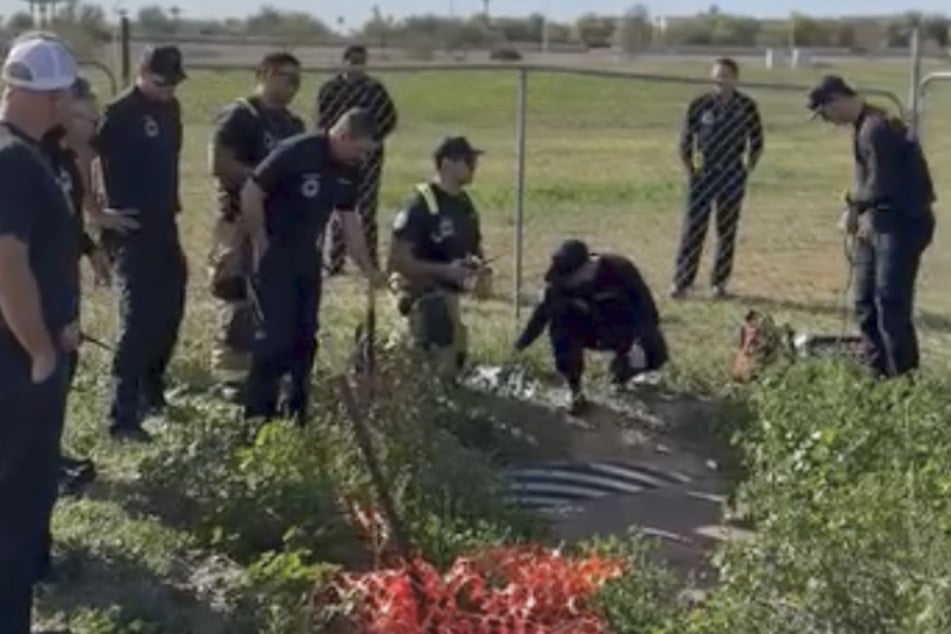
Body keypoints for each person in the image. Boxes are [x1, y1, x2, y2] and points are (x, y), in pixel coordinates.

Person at [0, 33, 81, 634]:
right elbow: (6, 260)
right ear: (51, 98)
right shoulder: (15, 161)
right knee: (17, 507)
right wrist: (40, 351)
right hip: (14, 362)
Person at [240, 107, 387, 424]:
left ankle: (295, 416)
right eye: (360, 149)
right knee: (275, 337)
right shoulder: (297, 151)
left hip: (307, 257)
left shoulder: (349, 168)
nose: (362, 157)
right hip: (273, 253)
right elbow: (252, 190)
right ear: (343, 136)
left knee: (305, 338)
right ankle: (257, 416)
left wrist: (368, 268)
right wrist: (260, 240)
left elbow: (349, 221)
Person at [807, 75, 936, 378]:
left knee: (890, 302)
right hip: (876, 221)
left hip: (901, 223)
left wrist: (853, 205)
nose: (826, 121)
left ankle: (903, 379)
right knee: (865, 301)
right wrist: (858, 212)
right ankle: (876, 373)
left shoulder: (877, 128)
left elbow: (882, 184)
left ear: (836, 99)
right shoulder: (864, 126)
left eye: (824, 112)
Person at [94, 45, 187, 442]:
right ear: (142, 73)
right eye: (161, 82)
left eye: (174, 82)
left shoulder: (171, 109)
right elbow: (82, 154)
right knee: (137, 321)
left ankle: (153, 394)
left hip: (164, 224)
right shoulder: (118, 114)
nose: (168, 89)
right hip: (130, 231)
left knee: (170, 309)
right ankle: (122, 416)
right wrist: (96, 211)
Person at [208, 52, 306, 401]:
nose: (292, 85)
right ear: (263, 73)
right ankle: (231, 383)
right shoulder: (241, 116)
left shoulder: (293, 126)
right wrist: (266, 178)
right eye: (284, 76)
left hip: (281, 227)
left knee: (275, 304)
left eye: (297, 79)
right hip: (240, 223)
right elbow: (221, 164)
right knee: (238, 302)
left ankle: (267, 378)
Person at [40, 76, 108, 500]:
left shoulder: (65, 160)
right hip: (38, 287)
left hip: (63, 280)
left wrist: (88, 247)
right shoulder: (31, 160)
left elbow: (64, 219)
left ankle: (48, 454)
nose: (94, 124)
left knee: (64, 374)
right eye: (87, 115)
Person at [514, 240, 668, 414]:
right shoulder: (559, 286)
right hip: (589, 329)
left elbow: (648, 313)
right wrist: (518, 348)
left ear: (587, 268)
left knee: (654, 352)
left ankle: (623, 377)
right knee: (560, 319)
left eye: (570, 278)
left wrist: (637, 346)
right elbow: (540, 318)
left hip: (623, 328)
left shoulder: (620, 269)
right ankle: (574, 390)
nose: (565, 283)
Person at [388, 136, 490, 377]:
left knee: (456, 353)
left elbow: (474, 249)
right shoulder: (421, 203)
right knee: (437, 335)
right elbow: (398, 262)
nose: (473, 164)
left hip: (447, 291)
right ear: (446, 164)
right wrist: (446, 271)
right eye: (467, 160)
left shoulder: (464, 204)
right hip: (416, 288)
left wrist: (481, 271)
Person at [672, 57, 764, 300]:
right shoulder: (700, 104)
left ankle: (719, 284)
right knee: (694, 228)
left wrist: (747, 167)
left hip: (732, 172)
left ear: (735, 78)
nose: (720, 80)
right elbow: (685, 139)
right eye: (717, 75)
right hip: (704, 172)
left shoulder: (746, 106)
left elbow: (757, 140)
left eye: (725, 75)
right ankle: (682, 282)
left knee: (726, 230)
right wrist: (691, 166)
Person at [318, 44, 399, 274]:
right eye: (352, 60)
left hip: (369, 159)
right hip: (337, 157)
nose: (357, 65)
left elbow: (390, 118)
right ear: (344, 61)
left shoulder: (374, 89)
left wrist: (371, 142)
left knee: (367, 210)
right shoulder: (331, 89)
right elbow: (322, 120)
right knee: (337, 208)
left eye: (361, 61)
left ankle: (370, 261)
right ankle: (335, 261)